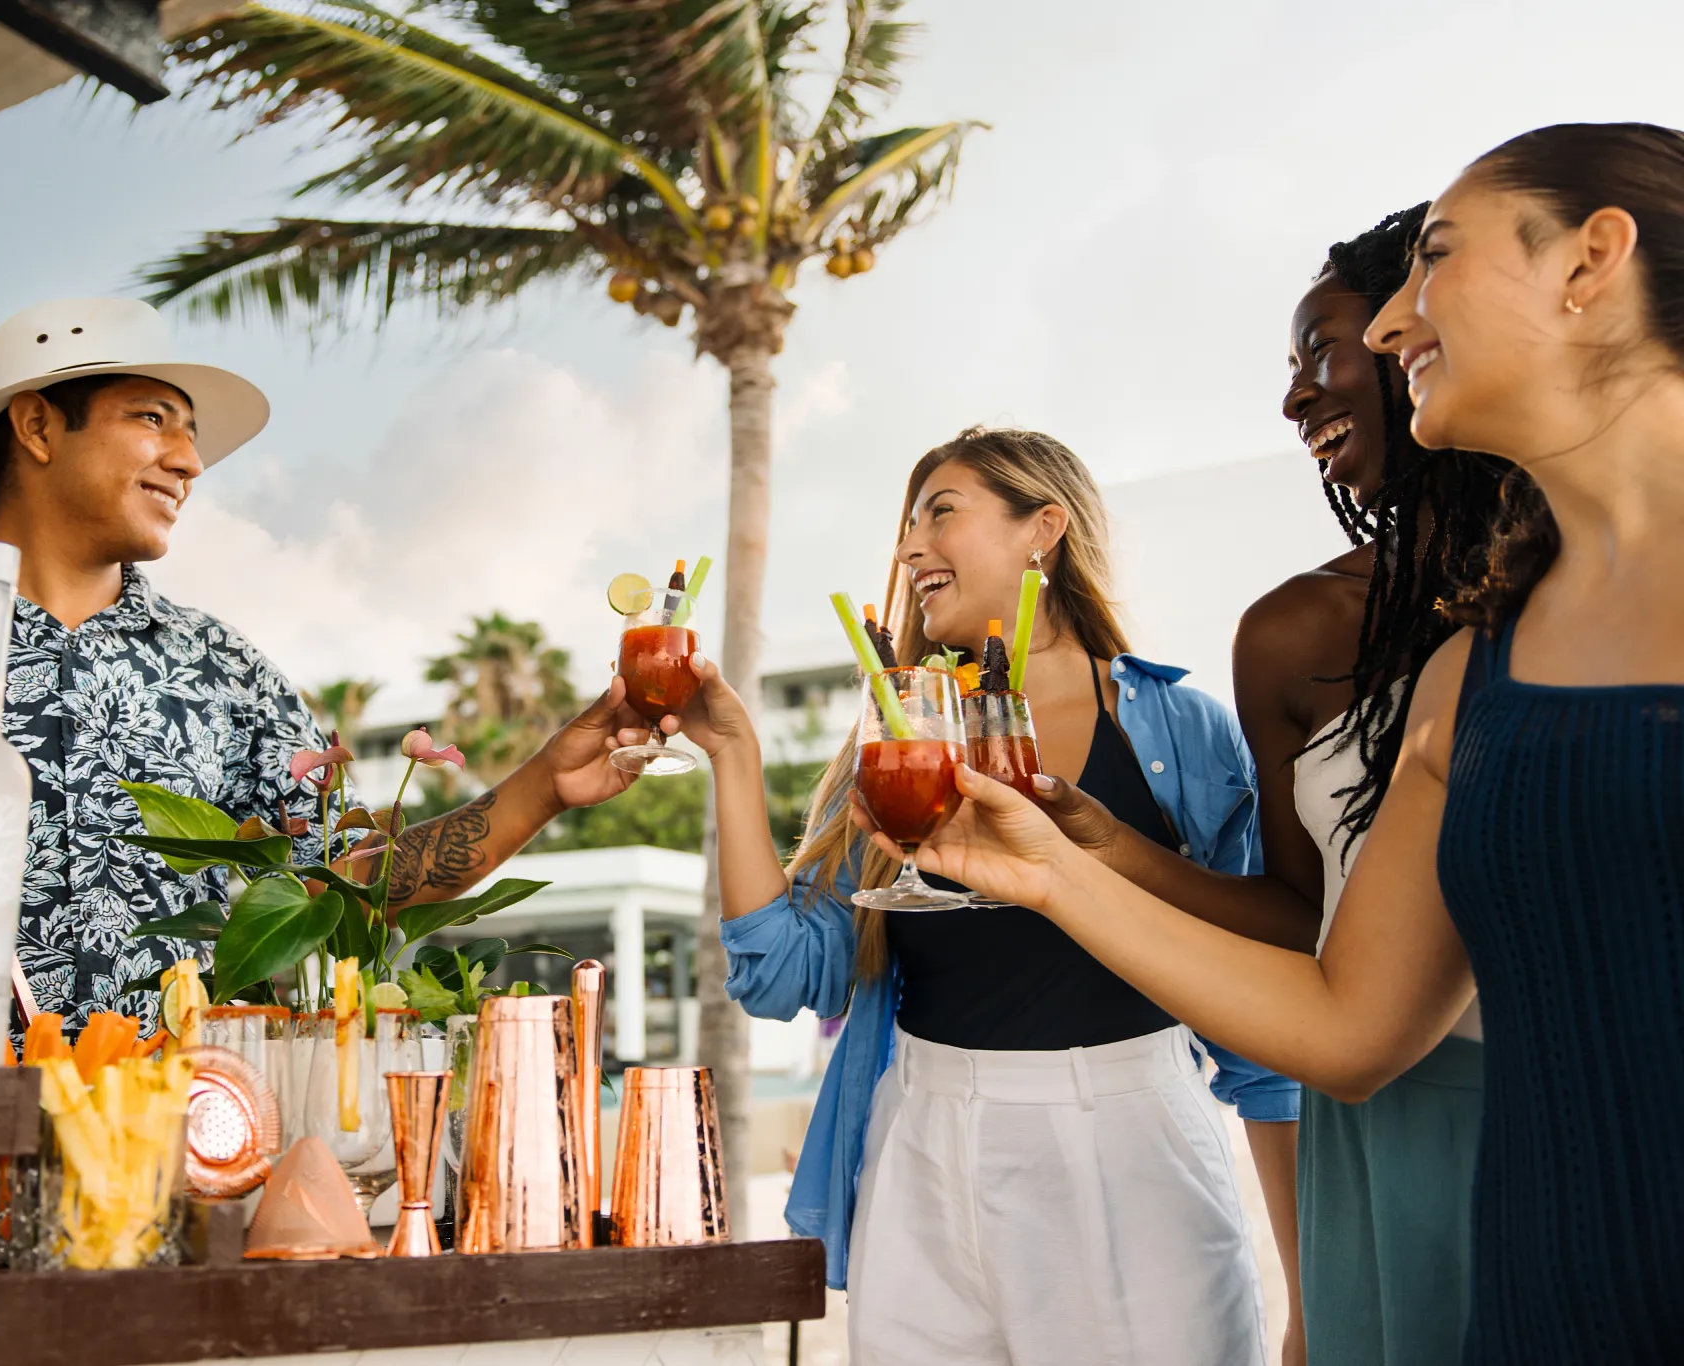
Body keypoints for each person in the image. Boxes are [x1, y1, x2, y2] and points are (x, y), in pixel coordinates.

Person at [898, 124, 1684, 1362]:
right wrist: (1049, 873)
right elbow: (1345, 1029)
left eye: (1433, 260)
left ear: (1590, 260)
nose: (1385, 327)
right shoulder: (1470, 672)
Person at [0, 298, 646, 1220]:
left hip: (142, 1196)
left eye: (192, 433)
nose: (189, 460)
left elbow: (341, 884)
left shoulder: (230, 674)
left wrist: (537, 790)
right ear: (36, 426)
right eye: (152, 418)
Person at [651, 427, 1290, 1365]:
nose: (909, 548)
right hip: (922, 1136)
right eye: (907, 523)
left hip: (1127, 1133)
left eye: (940, 512)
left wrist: (1310, 1293)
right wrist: (734, 757)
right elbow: (781, 974)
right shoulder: (894, 740)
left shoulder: (1178, 729)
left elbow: (1262, 1028)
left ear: (1046, 528)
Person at [1033, 207, 1513, 1365]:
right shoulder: (1291, 632)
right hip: (1378, 1104)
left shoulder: (1581, 591)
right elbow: (1309, 922)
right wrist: (1096, 847)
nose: (1296, 396)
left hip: (1554, 1081)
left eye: (1319, 350)